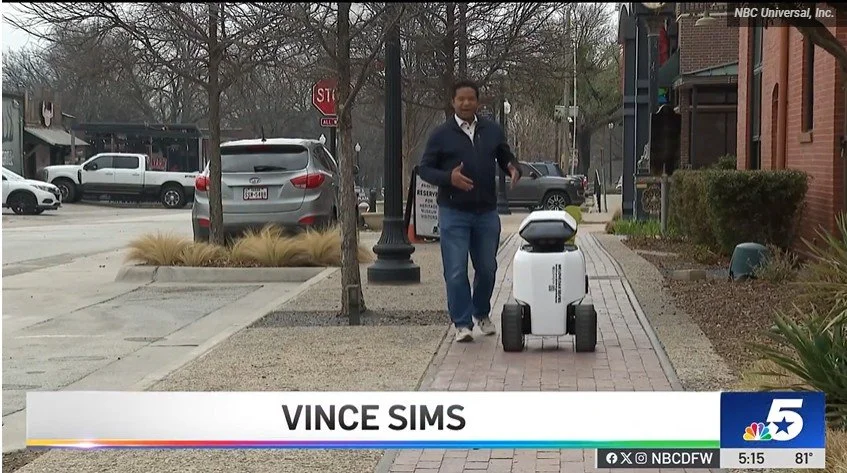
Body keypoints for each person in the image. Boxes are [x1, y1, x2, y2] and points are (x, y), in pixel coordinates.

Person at [418, 79, 522, 343]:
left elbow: (504, 155)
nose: (466, 103)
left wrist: (512, 167)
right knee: (455, 270)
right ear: (453, 102)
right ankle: (462, 323)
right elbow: (425, 169)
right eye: (461, 99)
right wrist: (448, 178)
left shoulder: (491, 130)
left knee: (487, 268)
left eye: (470, 99)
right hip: (454, 212)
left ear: (478, 102)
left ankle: (481, 312)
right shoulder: (440, 135)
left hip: (486, 212)